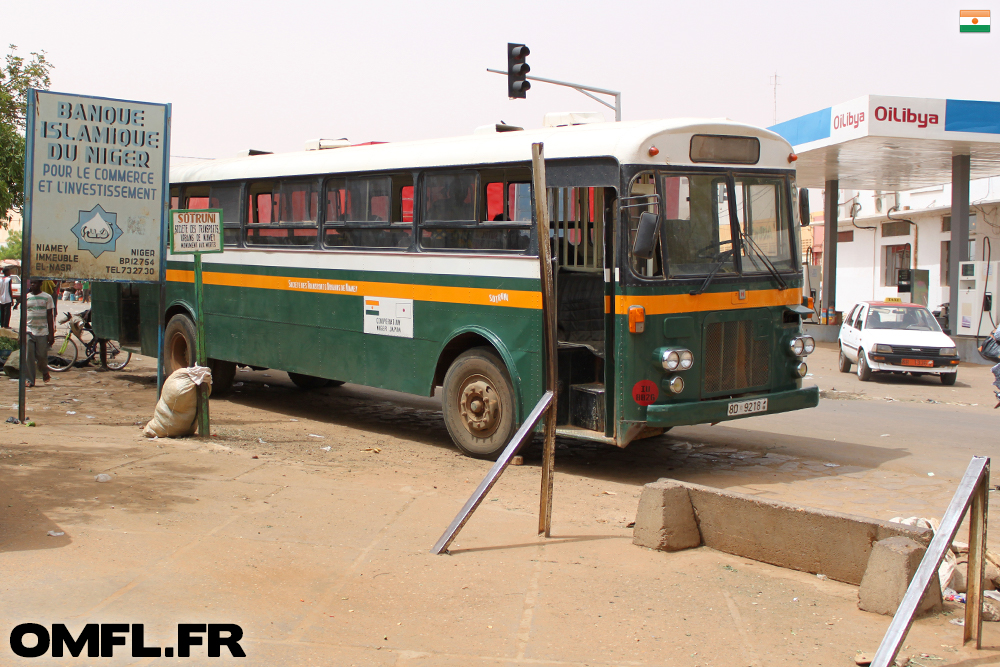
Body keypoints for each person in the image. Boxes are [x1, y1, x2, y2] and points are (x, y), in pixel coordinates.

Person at [24, 279, 54, 387]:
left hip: (42, 331)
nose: (33, 285)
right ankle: (30, 380)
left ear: (41, 284)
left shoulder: (47, 297)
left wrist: (51, 334)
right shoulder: (27, 297)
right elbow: (23, 316)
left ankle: (44, 370)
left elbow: (50, 316)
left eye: (35, 283)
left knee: (42, 356)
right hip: (29, 330)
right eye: (31, 283)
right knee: (29, 357)